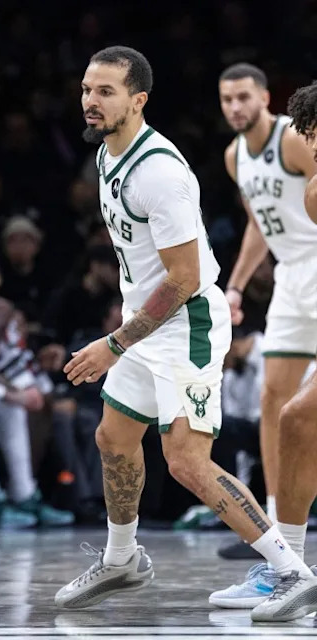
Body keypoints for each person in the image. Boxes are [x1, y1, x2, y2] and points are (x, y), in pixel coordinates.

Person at [54, 46, 317, 623]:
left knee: (186, 460)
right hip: (144, 322)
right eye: (87, 90)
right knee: (113, 437)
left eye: (105, 92)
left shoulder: (159, 171)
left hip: (185, 322)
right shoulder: (106, 154)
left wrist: (114, 343)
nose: (91, 101)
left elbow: (184, 279)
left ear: (138, 100)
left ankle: (292, 571)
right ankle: (122, 559)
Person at [210, 80, 317, 616]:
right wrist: (234, 285)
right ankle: (283, 554)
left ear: (264, 97)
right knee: (281, 408)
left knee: (297, 415)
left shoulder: (291, 139)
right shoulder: (236, 157)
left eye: (243, 97)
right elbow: (259, 224)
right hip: (292, 278)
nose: (235, 107)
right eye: (226, 99)